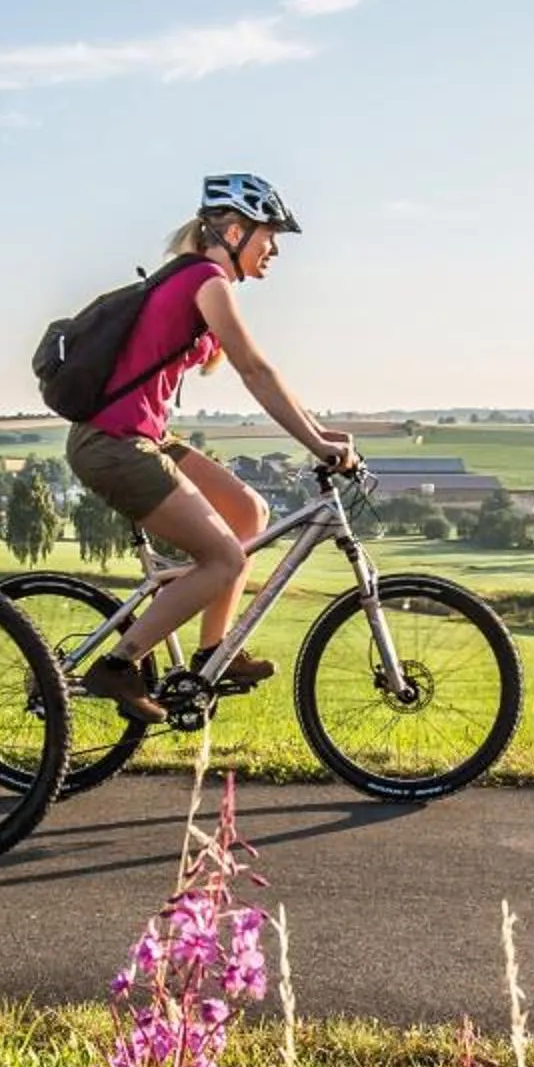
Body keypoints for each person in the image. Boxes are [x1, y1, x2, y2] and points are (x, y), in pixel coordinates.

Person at [66, 173, 357, 721]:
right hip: (114, 444)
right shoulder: (205, 279)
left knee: (249, 512)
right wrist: (316, 443)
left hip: (142, 437)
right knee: (223, 557)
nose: (273, 250)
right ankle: (120, 666)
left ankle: (212, 653)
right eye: (269, 236)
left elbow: (263, 373)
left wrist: (322, 433)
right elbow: (255, 370)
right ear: (233, 230)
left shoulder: (198, 281)